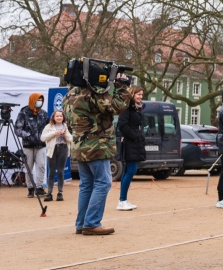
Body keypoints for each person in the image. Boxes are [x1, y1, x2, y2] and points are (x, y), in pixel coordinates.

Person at [64, 72, 132, 235]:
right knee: (103, 182)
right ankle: (92, 222)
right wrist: (121, 85)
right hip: (97, 146)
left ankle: (81, 223)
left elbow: (69, 121)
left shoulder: (70, 94)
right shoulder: (94, 93)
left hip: (80, 145)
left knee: (86, 185)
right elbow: (118, 106)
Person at [116, 86, 145, 211]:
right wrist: (135, 136)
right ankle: (122, 200)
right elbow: (122, 125)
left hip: (135, 142)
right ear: (132, 94)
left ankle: (123, 200)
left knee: (129, 170)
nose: (140, 97)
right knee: (131, 170)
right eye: (138, 94)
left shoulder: (136, 108)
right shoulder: (127, 107)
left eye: (142, 95)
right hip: (129, 143)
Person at [15, 93, 49, 197]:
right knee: (28, 167)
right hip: (28, 145)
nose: (40, 102)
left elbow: (49, 127)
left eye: (41, 100)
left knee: (41, 165)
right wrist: (29, 135)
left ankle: (39, 187)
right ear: (32, 100)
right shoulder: (23, 113)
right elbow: (17, 129)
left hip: (41, 145)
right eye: (38, 100)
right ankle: (30, 188)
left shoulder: (43, 113)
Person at [40, 109, 72, 202]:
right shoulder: (49, 126)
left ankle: (60, 192)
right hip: (52, 150)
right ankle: (49, 193)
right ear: (53, 117)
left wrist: (65, 133)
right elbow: (43, 138)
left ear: (63, 117)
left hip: (63, 149)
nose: (59, 117)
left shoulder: (65, 126)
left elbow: (70, 139)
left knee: (60, 172)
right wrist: (55, 133)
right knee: (52, 172)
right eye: (57, 116)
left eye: (61, 116)